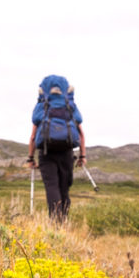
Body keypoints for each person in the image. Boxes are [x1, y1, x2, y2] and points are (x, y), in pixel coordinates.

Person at [27, 76, 86, 222]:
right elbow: (81, 134)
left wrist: (30, 158)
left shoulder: (42, 107)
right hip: (66, 152)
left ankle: (55, 223)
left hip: (46, 153)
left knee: (52, 187)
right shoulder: (69, 107)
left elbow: (33, 136)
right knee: (64, 188)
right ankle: (63, 221)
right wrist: (82, 156)